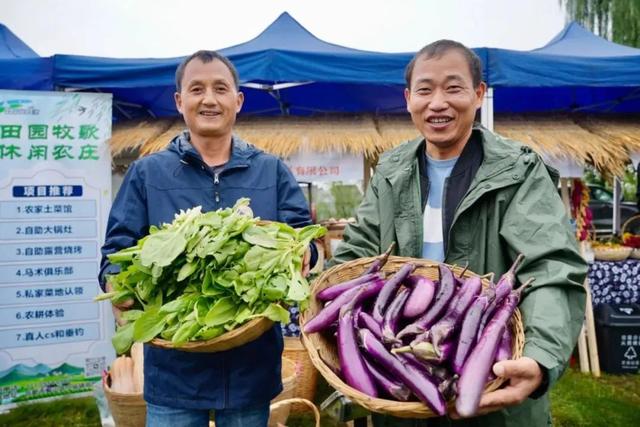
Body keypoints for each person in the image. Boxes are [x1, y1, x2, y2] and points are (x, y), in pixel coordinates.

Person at [331, 40, 587, 427]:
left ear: (479, 94)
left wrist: (539, 356)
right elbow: (358, 254)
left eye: (453, 88)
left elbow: (550, 266)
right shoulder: (391, 172)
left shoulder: (519, 172)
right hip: (404, 378)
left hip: (494, 380)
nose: (438, 103)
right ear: (408, 98)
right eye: (425, 90)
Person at [99, 50, 315, 427]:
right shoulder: (148, 173)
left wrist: (301, 254)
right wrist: (118, 285)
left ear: (238, 100)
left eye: (220, 88)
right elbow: (117, 251)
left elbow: (303, 237)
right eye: (196, 89)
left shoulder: (271, 170)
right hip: (173, 370)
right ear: (180, 101)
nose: (209, 99)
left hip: (251, 369)